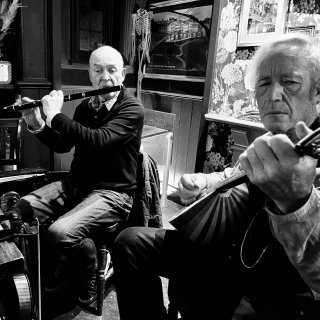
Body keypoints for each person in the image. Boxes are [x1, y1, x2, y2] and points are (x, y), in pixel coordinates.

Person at [112, 34, 320, 320]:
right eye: (263, 83)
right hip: (229, 255)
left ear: (316, 92)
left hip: (276, 287)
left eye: (290, 82)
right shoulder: (272, 139)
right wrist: (203, 183)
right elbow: (236, 174)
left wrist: (297, 202)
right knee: (130, 242)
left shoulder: (313, 148)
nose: (273, 94)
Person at [7, 45, 144, 306]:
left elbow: (99, 140)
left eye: (112, 70)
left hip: (112, 193)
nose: (105, 76)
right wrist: (37, 124)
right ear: (90, 76)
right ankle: (31, 279)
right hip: (76, 183)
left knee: (59, 233)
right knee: (17, 210)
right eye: (98, 70)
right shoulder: (85, 107)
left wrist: (56, 115)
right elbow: (63, 145)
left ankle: (88, 265)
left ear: (123, 74)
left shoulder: (132, 108)